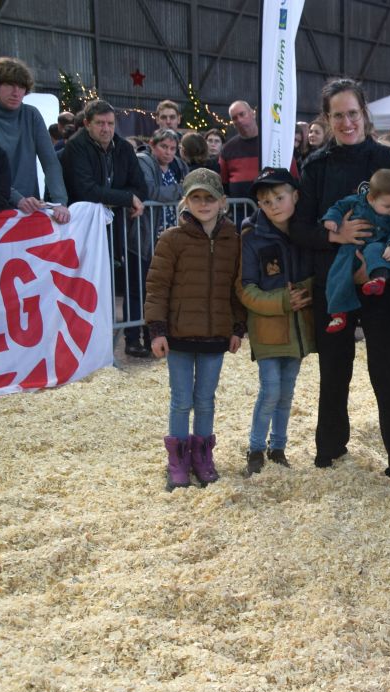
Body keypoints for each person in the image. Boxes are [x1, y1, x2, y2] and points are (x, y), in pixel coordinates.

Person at [289, 77, 390, 481]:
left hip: (381, 286)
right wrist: (336, 235)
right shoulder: (316, 166)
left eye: (352, 113)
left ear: (363, 113)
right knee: (334, 370)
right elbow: (299, 227)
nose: (346, 123)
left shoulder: (389, 162)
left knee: (388, 373)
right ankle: (329, 452)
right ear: (327, 119)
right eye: (337, 116)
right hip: (333, 284)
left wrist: (384, 264)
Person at [144, 168, 245, 489]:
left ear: (222, 202)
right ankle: (177, 460)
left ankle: (202, 456)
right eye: (196, 197)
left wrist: (237, 328)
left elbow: (237, 288)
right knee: (181, 399)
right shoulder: (171, 239)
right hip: (179, 334)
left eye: (209, 197)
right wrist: (157, 330)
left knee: (205, 399)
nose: (204, 204)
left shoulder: (233, 241)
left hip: (216, 335)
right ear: (186, 202)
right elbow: (157, 287)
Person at [239, 167, 315, 476]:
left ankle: (278, 447)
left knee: (287, 391)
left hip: (297, 328)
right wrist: (284, 300)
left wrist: (306, 292)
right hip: (267, 328)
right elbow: (246, 288)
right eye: (266, 201)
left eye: (279, 198)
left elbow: (317, 272)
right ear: (259, 204)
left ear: (295, 196)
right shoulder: (251, 237)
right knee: (270, 390)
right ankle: (256, 449)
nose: (274, 206)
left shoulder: (306, 231)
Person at [60, 99, 150, 357]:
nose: (106, 129)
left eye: (110, 123)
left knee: (130, 281)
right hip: (85, 230)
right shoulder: (75, 147)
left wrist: (123, 197)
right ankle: (89, 344)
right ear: (87, 124)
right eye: (100, 123)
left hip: (120, 227)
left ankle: (128, 339)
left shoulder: (123, 148)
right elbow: (85, 189)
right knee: (91, 284)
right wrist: (126, 198)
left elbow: (140, 187)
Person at [0, 57, 71, 224]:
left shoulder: (31, 115)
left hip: (28, 211)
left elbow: (50, 162)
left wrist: (60, 202)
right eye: (9, 85)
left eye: (21, 86)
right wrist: (17, 199)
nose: (16, 92)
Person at [321, 168, 390, 334]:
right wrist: (331, 220)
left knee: (378, 251)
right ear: (371, 199)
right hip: (350, 247)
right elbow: (338, 207)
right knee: (338, 274)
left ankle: (379, 280)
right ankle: (338, 313)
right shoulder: (356, 201)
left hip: (377, 245)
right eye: (388, 206)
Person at [138, 128, 187, 234]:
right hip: (151, 228)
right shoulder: (143, 161)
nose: (168, 152)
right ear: (152, 144)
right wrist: (181, 190)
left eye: (172, 148)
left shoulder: (179, 164)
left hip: (174, 229)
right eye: (164, 147)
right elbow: (150, 192)